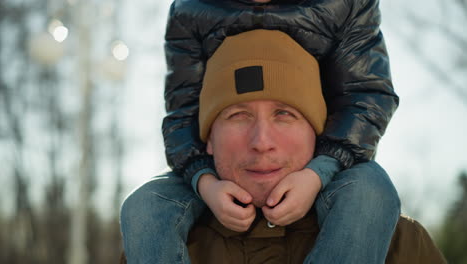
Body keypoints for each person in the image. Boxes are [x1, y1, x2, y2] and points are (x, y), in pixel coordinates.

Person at [119, 29, 446, 264]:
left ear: (318, 133)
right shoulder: (151, 241)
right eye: (238, 115)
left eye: (284, 114)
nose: (262, 142)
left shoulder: (398, 244)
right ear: (207, 138)